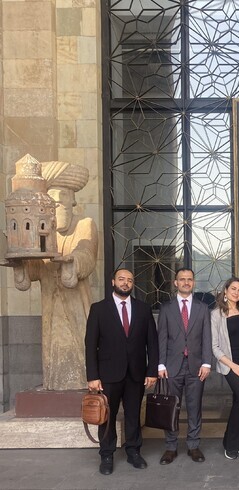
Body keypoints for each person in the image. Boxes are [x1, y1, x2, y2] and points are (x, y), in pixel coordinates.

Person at [13, 161, 98, 390]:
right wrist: (21, 266)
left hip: (77, 301)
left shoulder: (85, 224)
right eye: (53, 200)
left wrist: (72, 262)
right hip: (51, 302)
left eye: (63, 199)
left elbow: (87, 253)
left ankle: (84, 382)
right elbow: (37, 268)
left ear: (72, 201)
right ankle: (54, 383)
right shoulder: (43, 230)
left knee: (81, 346)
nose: (58, 203)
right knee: (53, 348)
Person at [85, 268, 159, 475]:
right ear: (113, 282)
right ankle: (107, 455)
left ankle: (133, 451)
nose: (125, 283)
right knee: (107, 416)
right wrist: (92, 376)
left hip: (136, 373)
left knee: (134, 414)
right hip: (108, 374)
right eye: (121, 279)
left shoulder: (143, 309)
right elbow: (90, 344)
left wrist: (152, 371)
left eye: (129, 280)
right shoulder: (99, 309)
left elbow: (152, 343)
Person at [157, 268, 212, 465]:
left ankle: (193, 445)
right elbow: (162, 338)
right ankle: (171, 447)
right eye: (182, 279)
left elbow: (207, 337)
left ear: (193, 283)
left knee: (194, 407)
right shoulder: (166, 308)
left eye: (189, 279)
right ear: (176, 283)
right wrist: (160, 364)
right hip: (172, 366)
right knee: (171, 408)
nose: (186, 282)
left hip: (196, 366)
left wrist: (207, 362)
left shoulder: (202, 308)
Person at [211, 277, 239, 460]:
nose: (236, 292)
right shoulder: (216, 314)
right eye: (233, 288)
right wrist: (233, 365)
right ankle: (231, 444)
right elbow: (214, 347)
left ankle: (233, 440)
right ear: (225, 290)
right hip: (230, 364)